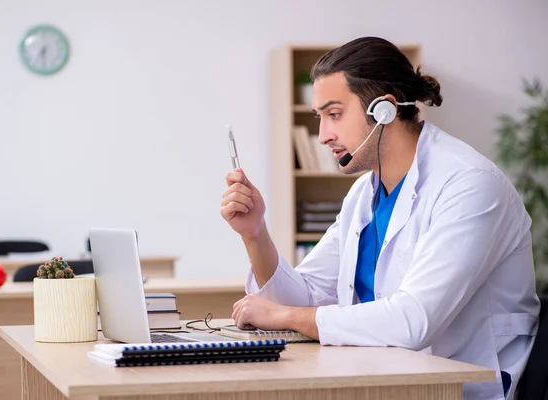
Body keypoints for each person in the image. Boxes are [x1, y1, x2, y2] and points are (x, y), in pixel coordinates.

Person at [220, 36, 540, 400]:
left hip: (458, 387)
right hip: (384, 377)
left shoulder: (470, 185)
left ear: (384, 110)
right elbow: (305, 295)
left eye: (334, 114)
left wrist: (280, 318)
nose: (323, 136)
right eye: (319, 118)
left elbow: (413, 321)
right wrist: (254, 233)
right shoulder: (364, 193)